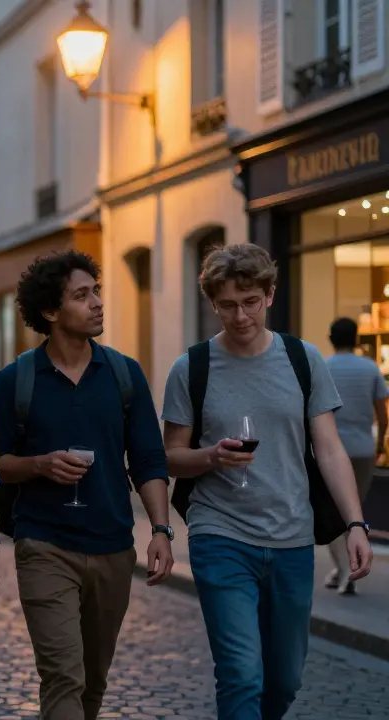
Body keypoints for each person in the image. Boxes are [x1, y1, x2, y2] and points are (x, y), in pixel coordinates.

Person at [162, 243, 373, 719]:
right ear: (213, 303)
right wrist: (210, 457)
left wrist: (355, 524)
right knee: (240, 671)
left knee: (283, 679)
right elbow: (170, 457)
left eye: (251, 302)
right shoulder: (191, 367)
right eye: (228, 305)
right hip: (220, 534)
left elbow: (330, 449)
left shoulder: (303, 359)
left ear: (270, 295)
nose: (240, 316)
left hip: (292, 537)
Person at [0, 250, 173, 719]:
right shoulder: (16, 381)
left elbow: (148, 459)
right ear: (50, 312)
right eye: (81, 295)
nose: (97, 303)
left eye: (97, 292)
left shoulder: (124, 374)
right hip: (44, 544)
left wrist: (160, 529)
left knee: (92, 680)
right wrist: (39, 465)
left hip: (113, 546)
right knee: (64, 674)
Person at [324, 316, 388, 595]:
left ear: (331, 338)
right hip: (363, 448)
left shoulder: (324, 368)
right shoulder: (370, 367)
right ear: (357, 339)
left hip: (331, 450)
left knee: (330, 513)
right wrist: (380, 443)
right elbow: (382, 413)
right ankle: (345, 569)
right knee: (354, 513)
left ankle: (345, 569)